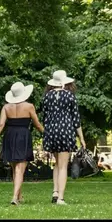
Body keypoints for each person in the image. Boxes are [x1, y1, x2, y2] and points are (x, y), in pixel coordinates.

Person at [0, 81, 44, 205]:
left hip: (9, 135)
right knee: (20, 169)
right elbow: (37, 124)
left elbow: (0, 125)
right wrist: (46, 134)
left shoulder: (6, 107)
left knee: (15, 168)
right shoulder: (29, 106)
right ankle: (15, 197)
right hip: (23, 136)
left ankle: (19, 196)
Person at [40, 70, 86, 205]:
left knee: (57, 163)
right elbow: (76, 120)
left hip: (51, 132)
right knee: (63, 166)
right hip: (66, 131)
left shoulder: (46, 97)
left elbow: (45, 118)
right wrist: (81, 138)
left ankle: (55, 191)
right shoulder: (70, 96)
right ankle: (60, 198)